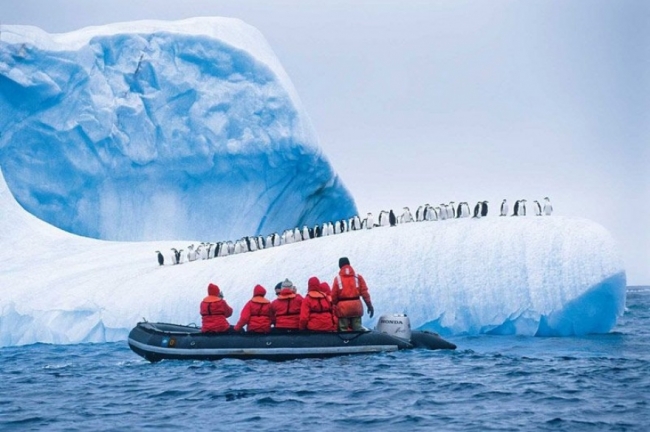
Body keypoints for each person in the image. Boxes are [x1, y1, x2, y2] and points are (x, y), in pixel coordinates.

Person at [331, 257, 374, 331]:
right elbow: (365, 293)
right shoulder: (358, 277)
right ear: (349, 264)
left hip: (343, 309)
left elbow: (334, 296)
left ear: (340, 266)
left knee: (343, 330)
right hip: (356, 307)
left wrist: (335, 306)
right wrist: (369, 306)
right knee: (357, 329)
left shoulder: (337, 279)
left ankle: (345, 341)